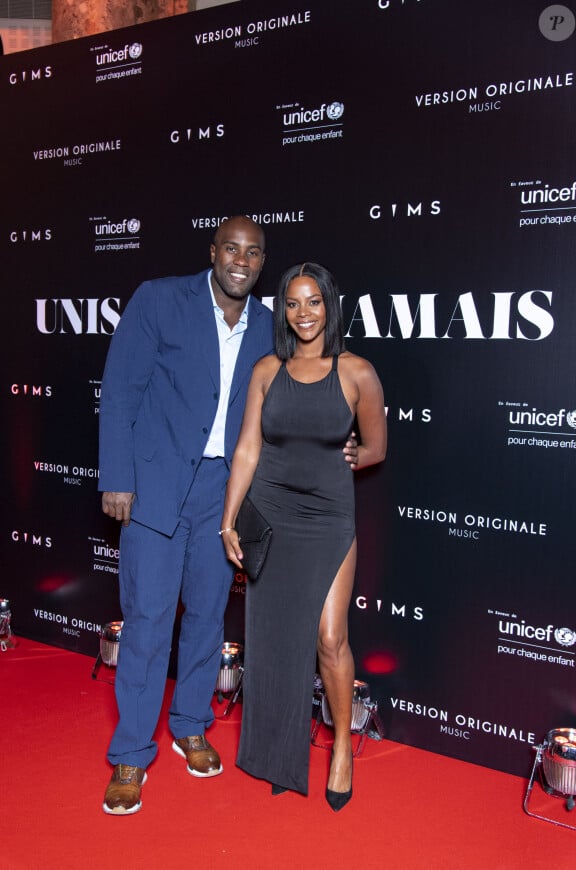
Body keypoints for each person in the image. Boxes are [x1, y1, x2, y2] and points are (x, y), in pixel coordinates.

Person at [98, 219, 358, 815]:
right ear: (213, 252)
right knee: (146, 622)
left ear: (263, 261)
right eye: (231, 249)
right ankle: (131, 753)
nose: (241, 260)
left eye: (254, 252)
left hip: (227, 493)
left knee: (209, 618)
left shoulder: (273, 322)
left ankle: (191, 724)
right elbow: (119, 389)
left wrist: (341, 443)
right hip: (157, 487)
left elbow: (301, 389)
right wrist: (117, 477)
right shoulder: (159, 298)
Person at [220, 262, 387, 811]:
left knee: (329, 637)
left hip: (328, 516)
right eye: (292, 303)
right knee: (273, 641)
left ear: (329, 304)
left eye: (313, 301)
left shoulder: (357, 371)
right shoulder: (268, 369)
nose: (304, 313)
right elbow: (247, 447)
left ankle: (341, 744)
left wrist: (354, 454)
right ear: (283, 311)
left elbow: (376, 448)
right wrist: (229, 518)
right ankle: (277, 750)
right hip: (271, 511)